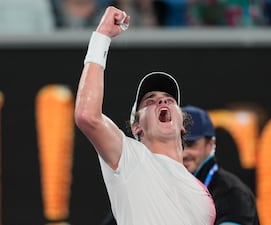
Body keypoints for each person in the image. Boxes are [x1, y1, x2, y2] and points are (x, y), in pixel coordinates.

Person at [74, 6, 216, 225]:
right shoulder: (130, 157)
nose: (162, 101)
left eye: (169, 99)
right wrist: (102, 36)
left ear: (182, 125)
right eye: (150, 100)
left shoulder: (203, 196)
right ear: (136, 127)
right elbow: (87, 116)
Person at [181, 105, 261, 225]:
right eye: (178, 144)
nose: (184, 153)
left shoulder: (232, 194)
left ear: (210, 144)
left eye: (191, 144)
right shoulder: (171, 187)